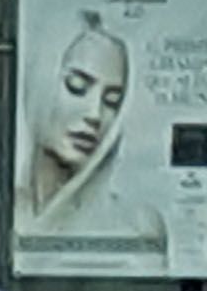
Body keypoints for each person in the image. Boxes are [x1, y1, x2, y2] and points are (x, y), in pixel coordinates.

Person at [19, 17, 133, 230]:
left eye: (112, 102)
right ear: (39, 84)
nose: (94, 114)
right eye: (77, 86)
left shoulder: (134, 226)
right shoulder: (3, 212)